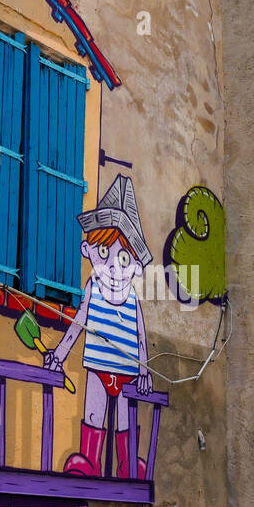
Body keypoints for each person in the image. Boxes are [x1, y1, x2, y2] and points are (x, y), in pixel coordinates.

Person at [43, 175, 152, 478]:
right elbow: (79, 321)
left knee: (125, 422)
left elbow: (142, 336)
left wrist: (144, 372)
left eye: (123, 256)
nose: (114, 265)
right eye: (104, 252)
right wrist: (60, 355)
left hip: (128, 371)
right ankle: (90, 463)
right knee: (94, 414)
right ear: (87, 250)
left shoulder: (132, 297)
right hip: (97, 366)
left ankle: (127, 465)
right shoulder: (93, 286)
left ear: (136, 267)